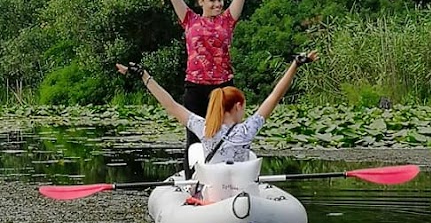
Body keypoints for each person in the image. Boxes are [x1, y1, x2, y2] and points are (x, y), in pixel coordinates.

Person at [143, 0, 268, 175]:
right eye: (212, 1)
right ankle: (193, 183)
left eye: (220, 0)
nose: (218, 4)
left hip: (223, 88)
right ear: (201, 1)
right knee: (194, 140)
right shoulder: (189, 19)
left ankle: (235, 177)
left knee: (231, 135)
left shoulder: (228, 19)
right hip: (196, 88)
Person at [116, 51, 318, 166]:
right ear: (238, 106)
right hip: (240, 190)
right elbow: (275, 96)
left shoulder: (204, 129)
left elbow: (170, 105)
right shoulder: (247, 130)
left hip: (214, 192)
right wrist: (295, 65)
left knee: (195, 150)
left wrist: (144, 76)